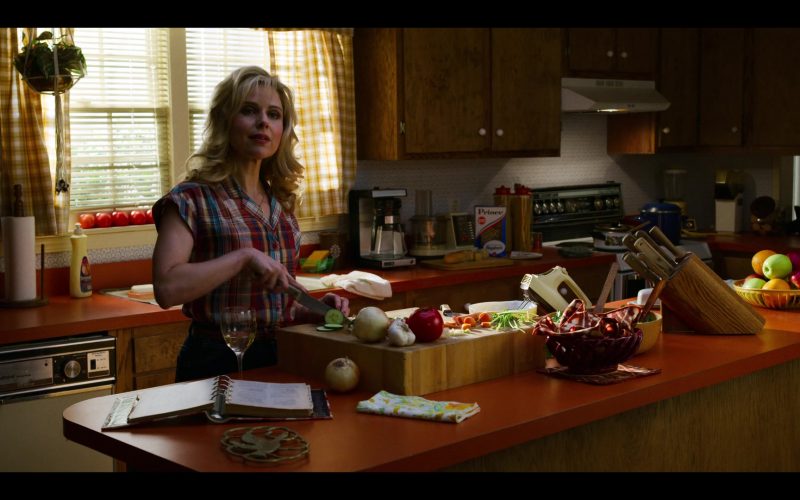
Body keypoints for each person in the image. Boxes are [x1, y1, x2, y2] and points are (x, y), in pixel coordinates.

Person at [151, 66, 349, 382]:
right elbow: (167, 288)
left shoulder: (281, 203)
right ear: (224, 120)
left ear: (283, 130)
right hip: (215, 360)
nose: (263, 123)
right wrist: (244, 257)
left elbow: (274, 303)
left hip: (281, 356)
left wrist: (309, 309)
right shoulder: (192, 199)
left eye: (274, 114)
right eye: (249, 111)